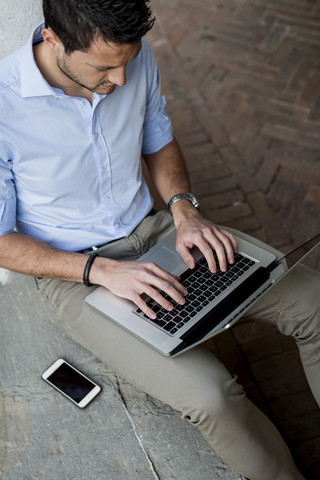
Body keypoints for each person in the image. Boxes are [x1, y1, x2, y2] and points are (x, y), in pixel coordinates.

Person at [0, 1, 319, 479]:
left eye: (127, 62)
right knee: (212, 396)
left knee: (315, 301)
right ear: (53, 40)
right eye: (105, 67)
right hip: (77, 274)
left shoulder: (132, 56)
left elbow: (158, 138)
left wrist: (185, 212)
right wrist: (102, 271)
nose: (122, 79)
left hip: (159, 229)